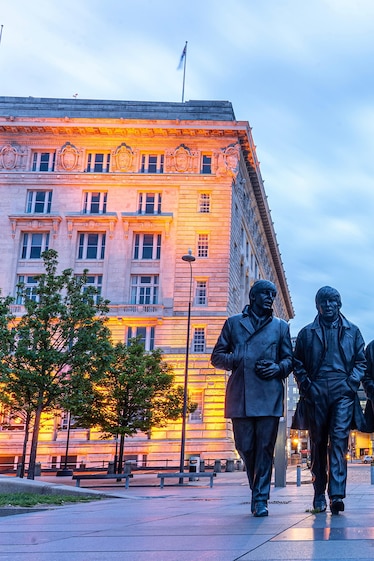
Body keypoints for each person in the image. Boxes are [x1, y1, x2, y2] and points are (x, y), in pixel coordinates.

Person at [211, 279, 293, 517]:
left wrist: (278, 368)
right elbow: (217, 357)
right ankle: (256, 487)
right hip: (241, 396)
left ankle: (260, 498)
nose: (270, 298)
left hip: (269, 395)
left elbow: (289, 360)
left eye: (273, 295)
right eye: (266, 294)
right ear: (253, 297)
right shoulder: (234, 323)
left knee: (265, 448)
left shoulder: (280, 327)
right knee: (245, 447)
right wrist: (239, 357)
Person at [293, 286, 366, 514]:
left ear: (339, 304)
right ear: (317, 306)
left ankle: (336, 495)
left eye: (332, 302)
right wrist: (308, 386)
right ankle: (318, 493)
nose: (328, 306)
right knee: (317, 444)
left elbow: (361, 362)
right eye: (323, 302)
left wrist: (350, 384)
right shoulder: (306, 333)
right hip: (316, 391)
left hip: (342, 391)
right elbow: (298, 364)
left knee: (338, 442)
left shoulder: (353, 332)